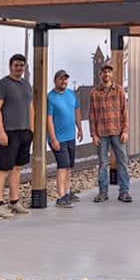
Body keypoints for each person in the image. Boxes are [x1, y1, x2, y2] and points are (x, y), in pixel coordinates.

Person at [0, 53, 33, 218]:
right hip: (8, 132)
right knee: (2, 168)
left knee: (16, 168)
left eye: (21, 66)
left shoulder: (26, 85)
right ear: (10, 66)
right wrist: (0, 130)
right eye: (16, 65)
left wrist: (31, 129)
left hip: (23, 132)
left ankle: (14, 201)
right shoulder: (2, 85)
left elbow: (30, 107)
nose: (19, 68)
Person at [89, 62, 131, 203]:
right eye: (104, 72)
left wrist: (125, 130)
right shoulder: (94, 93)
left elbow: (124, 111)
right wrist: (93, 134)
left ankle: (124, 191)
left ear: (111, 74)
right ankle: (103, 192)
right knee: (103, 163)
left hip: (118, 132)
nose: (106, 74)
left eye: (109, 72)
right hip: (101, 133)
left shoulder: (119, 90)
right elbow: (92, 115)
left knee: (122, 161)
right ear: (100, 74)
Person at [47, 69, 83, 208]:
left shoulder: (71, 94)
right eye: (61, 79)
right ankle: (61, 197)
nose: (64, 81)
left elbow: (77, 112)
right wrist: (53, 138)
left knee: (69, 167)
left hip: (70, 137)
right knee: (63, 166)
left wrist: (79, 128)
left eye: (66, 79)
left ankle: (67, 193)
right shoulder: (50, 97)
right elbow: (49, 120)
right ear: (55, 80)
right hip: (58, 138)